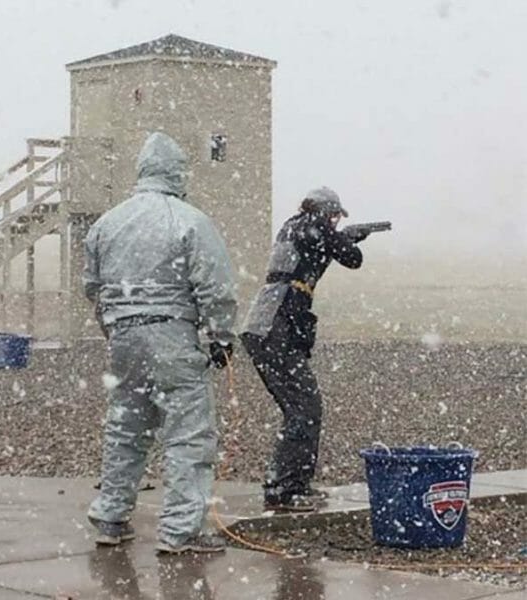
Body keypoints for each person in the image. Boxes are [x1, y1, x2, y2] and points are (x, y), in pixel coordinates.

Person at [83, 132, 237, 553]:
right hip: (171, 334)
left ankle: (110, 518)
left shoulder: (106, 223)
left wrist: (115, 328)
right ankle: (180, 531)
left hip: (124, 338)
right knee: (188, 434)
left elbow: (93, 287)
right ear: (178, 173)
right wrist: (221, 337)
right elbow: (215, 286)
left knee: (126, 428)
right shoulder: (189, 220)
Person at [240, 187, 368, 512]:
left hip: (265, 327)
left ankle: (288, 484)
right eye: (335, 216)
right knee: (304, 408)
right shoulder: (312, 227)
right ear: (325, 212)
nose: (336, 222)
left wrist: (340, 238)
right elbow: (354, 260)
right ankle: (286, 489)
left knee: (301, 408)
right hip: (274, 327)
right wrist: (347, 239)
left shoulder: (296, 226)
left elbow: (325, 250)